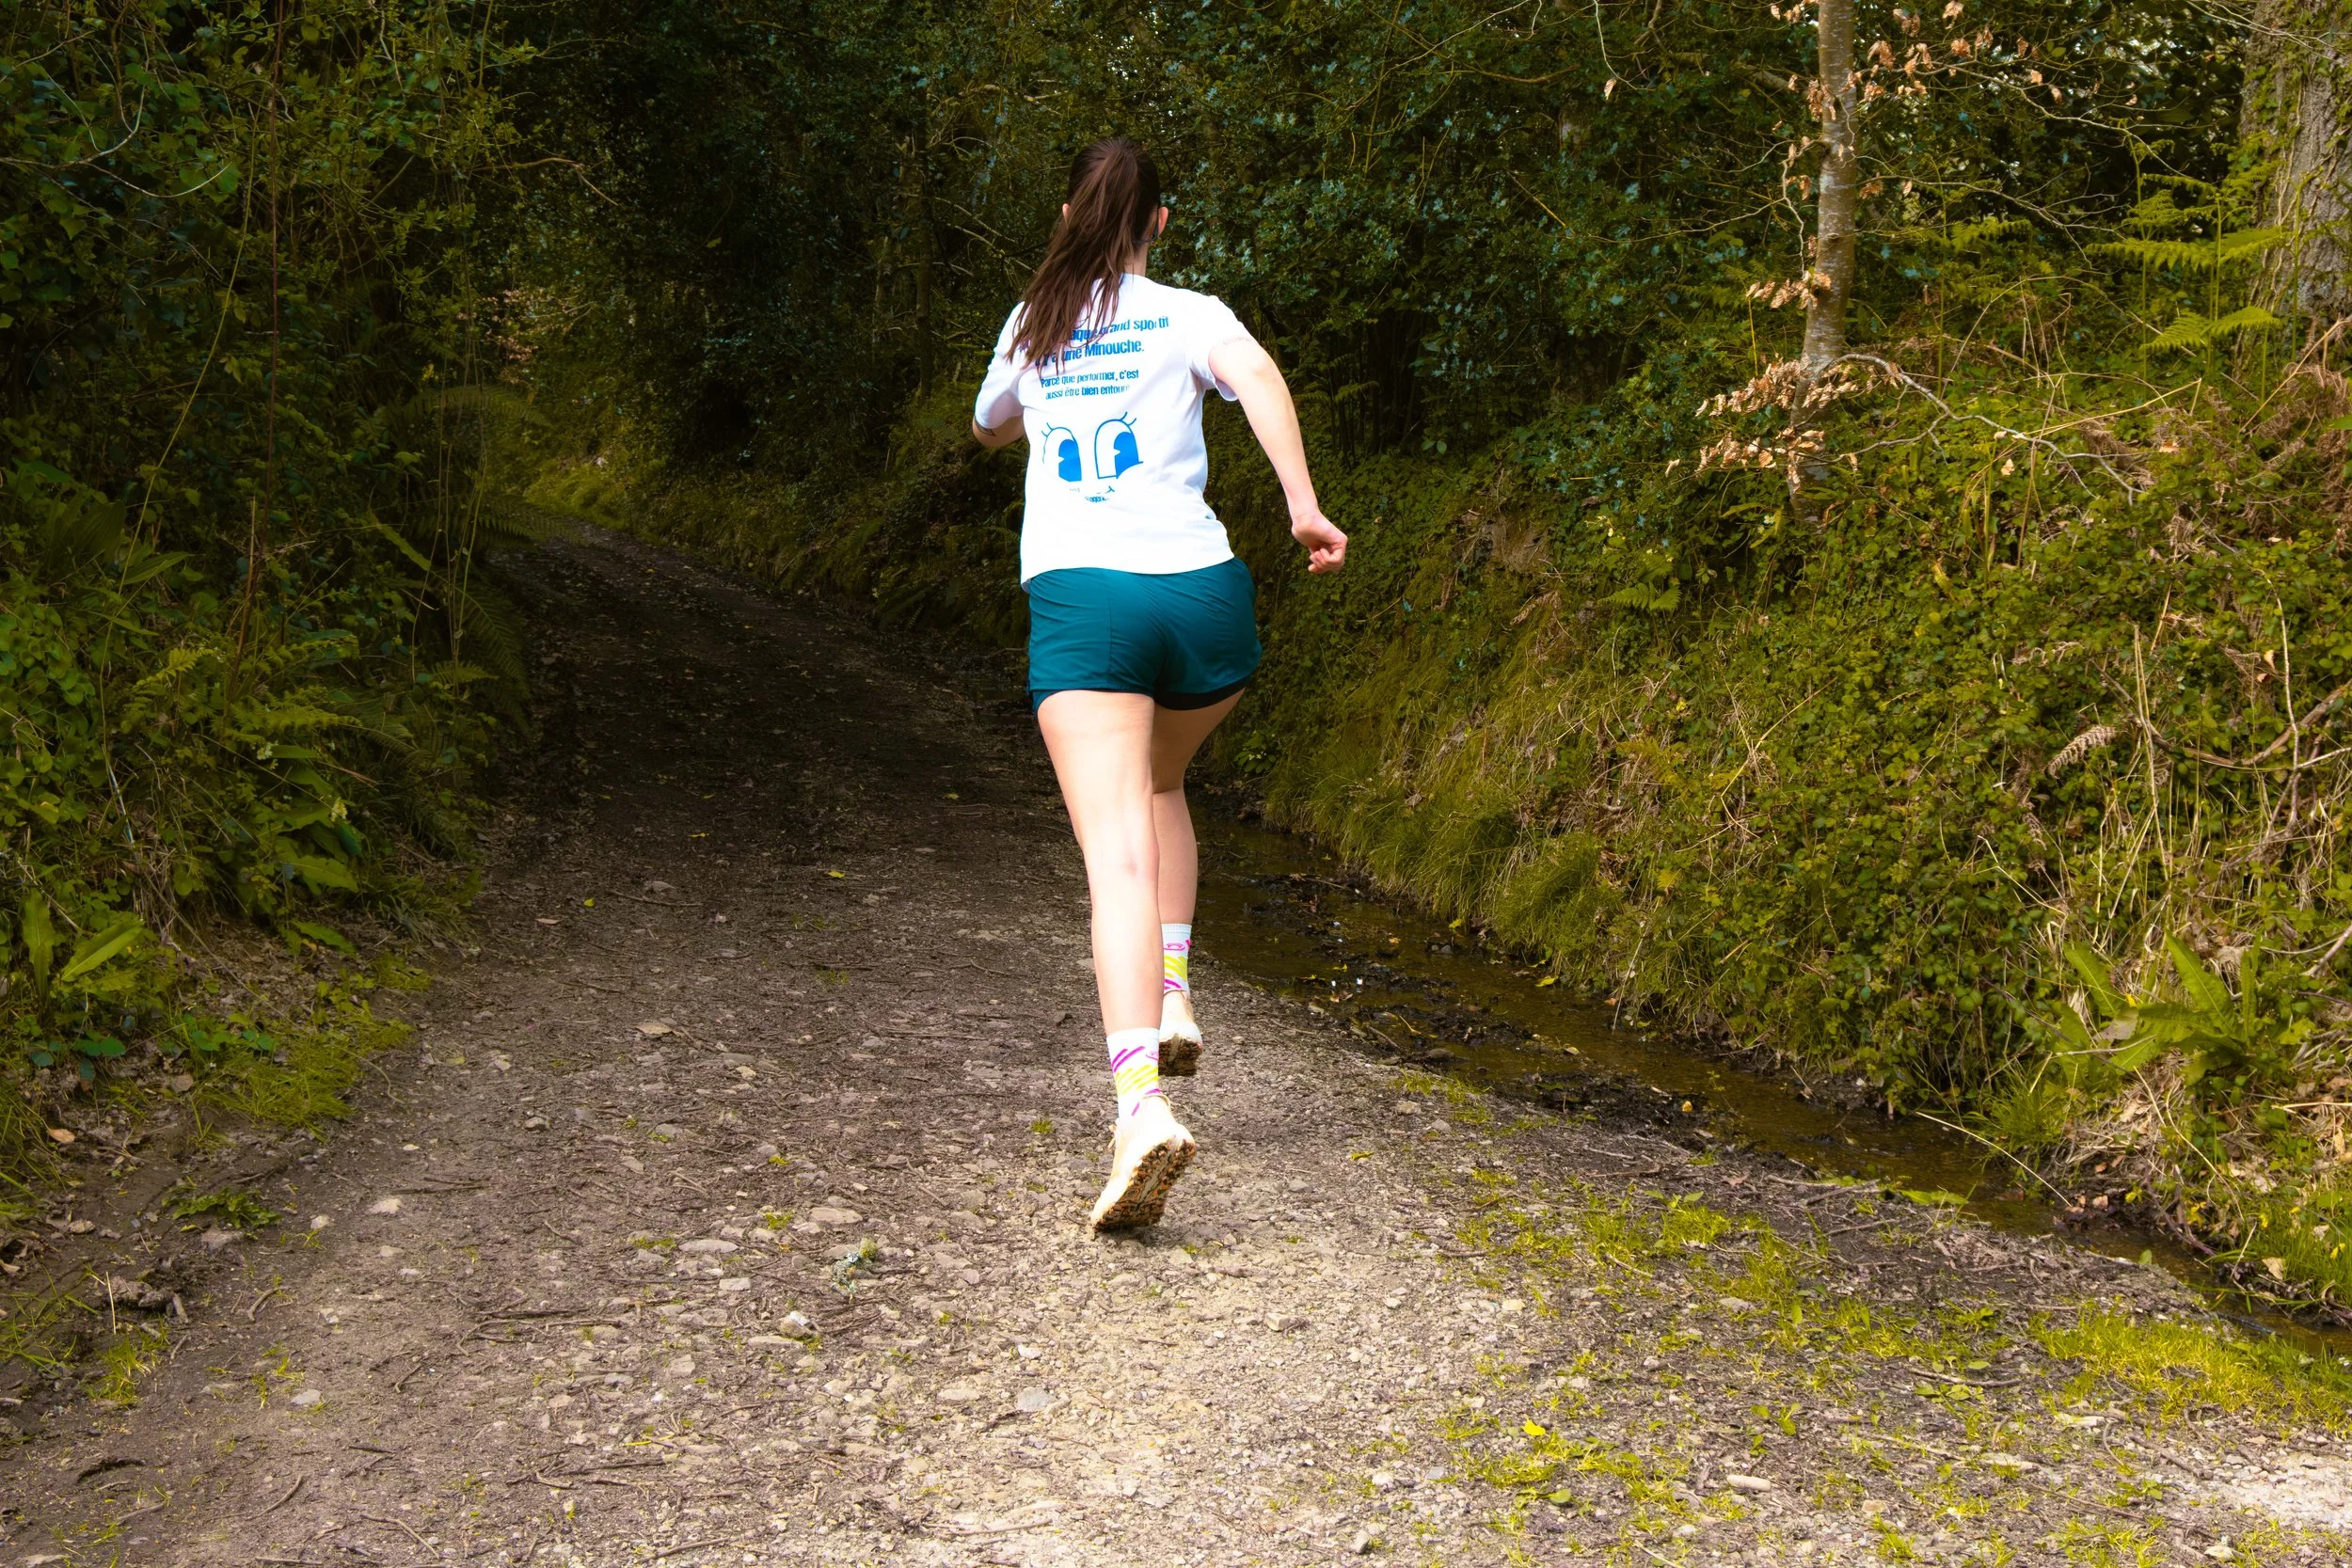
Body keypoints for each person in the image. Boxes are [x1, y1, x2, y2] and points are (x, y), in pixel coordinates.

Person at [972, 138, 1346, 1232]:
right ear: (1161, 223)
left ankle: (1139, 1105)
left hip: (1088, 602)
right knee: (1161, 785)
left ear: (1065, 214)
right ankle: (1172, 981)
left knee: (1114, 852)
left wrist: (1035, 391)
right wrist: (1301, 506)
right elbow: (1261, 378)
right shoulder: (1189, 311)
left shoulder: (1032, 319)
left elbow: (988, 424)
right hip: (1202, 599)